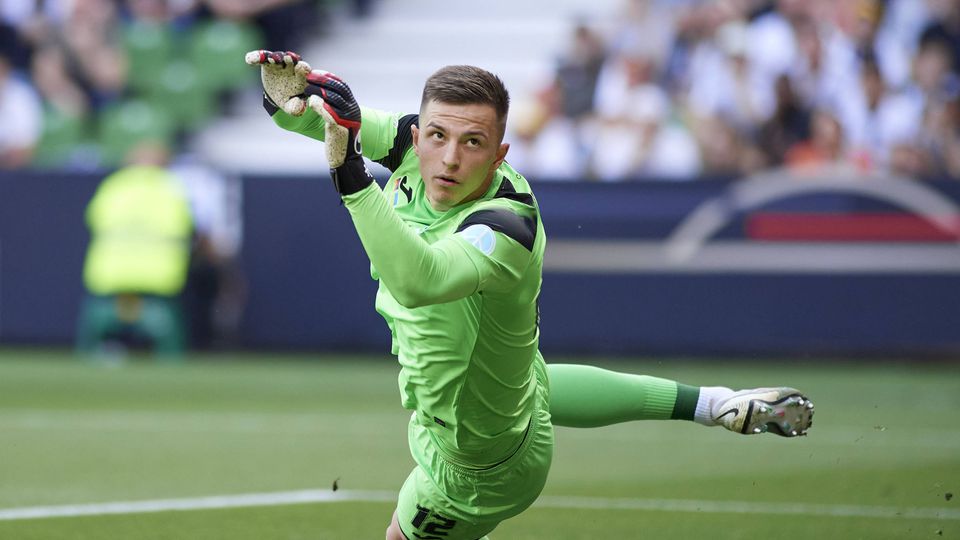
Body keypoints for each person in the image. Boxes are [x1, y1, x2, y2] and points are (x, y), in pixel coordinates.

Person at [246, 50, 815, 540]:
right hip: (485, 414)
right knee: (530, 382)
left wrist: (349, 174)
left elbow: (417, 281)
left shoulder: (505, 224)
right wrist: (289, 98)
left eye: (473, 143)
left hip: (477, 461)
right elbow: (321, 122)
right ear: (416, 133)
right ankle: (714, 403)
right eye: (437, 136)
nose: (449, 158)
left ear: (500, 154)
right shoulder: (411, 146)